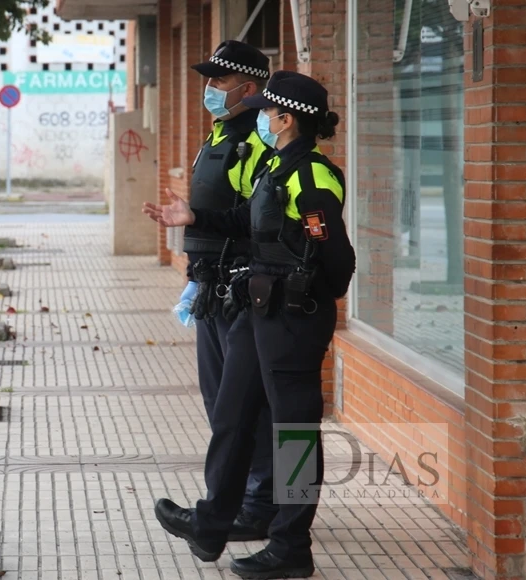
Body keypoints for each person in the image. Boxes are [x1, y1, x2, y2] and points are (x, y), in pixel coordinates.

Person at [143, 71, 355, 579]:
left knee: (295, 433)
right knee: (232, 414)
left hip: (293, 320)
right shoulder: (278, 167)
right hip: (258, 313)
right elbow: (246, 220)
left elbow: (338, 263)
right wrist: (193, 218)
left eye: (265, 111)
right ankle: (212, 522)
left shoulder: (313, 177)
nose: (258, 117)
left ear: (286, 119)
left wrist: (300, 296)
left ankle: (290, 546)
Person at [171, 40, 278, 542]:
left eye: (218, 81)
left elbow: (254, 221)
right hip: (217, 286)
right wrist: (196, 275)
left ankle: (266, 511)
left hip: (252, 295)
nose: (209, 89)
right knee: (224, 405)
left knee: (253, 409)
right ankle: (250, 509)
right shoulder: (219, 135)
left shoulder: (263, 149)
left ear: (248, 88)